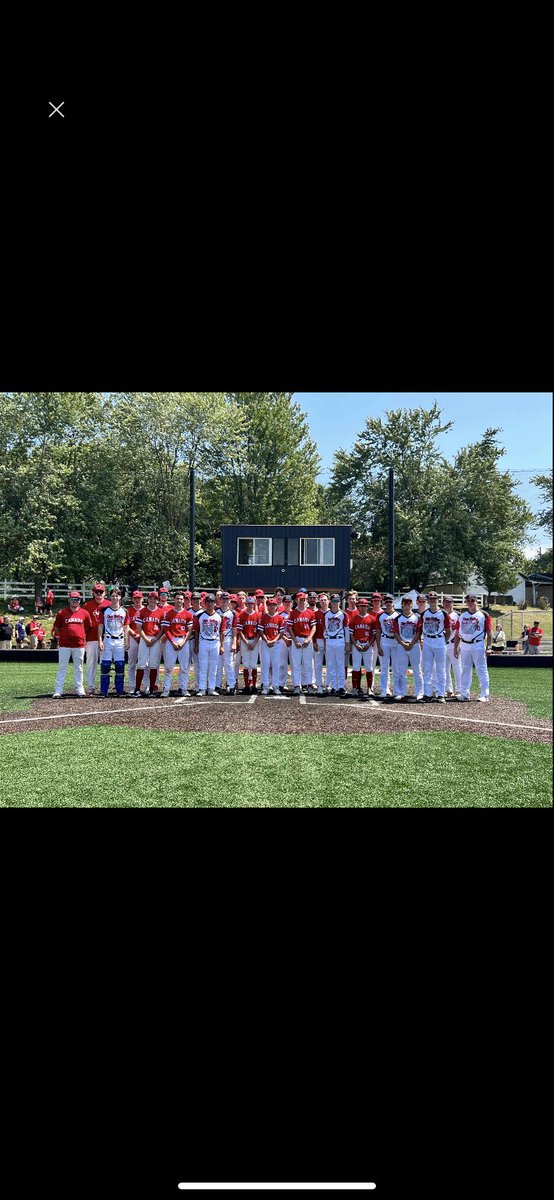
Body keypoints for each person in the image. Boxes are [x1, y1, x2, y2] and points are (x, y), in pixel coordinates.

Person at [51, 591, 92, 697]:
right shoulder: (62, 612)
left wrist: (80, 635)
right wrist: (63, 636)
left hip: (79, 645)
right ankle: (58, 690)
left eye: (77, 599)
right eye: (73, 599)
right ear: (69, 600)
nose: (75, 601)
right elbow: (57, 627)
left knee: (79, 668)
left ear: (80, 600)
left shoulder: (84, 613)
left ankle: (80, 689)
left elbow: (87, 627)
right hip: (65, 645)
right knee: (62, 667)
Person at [453, 593, 492, 702]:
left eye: (472, 600)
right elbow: (457, 633)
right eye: (468, 600)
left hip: (478, 644)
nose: (469, 602)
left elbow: (489, 632)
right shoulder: (462, 616)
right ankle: (464, 693)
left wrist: (489, 647)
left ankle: (484, 694)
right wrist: (456, 648)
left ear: (476, 601)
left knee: (481, 668)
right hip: (464, 644)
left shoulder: (483, 615)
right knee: (465, 669)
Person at [161, 589, 194, 696]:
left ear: (183, 600)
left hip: (184, 640)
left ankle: (183, 688)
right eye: (177, 599)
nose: (179, 601)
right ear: (173, 600)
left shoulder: (188, 614)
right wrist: (172, 642)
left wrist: (184, 642)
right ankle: (166, 689)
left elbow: (190, 630)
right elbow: (166, 630)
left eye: (181, 599)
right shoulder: (168, 614)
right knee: (168, 667)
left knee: (185, 667)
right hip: (172, 641)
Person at [97, 588, 129, 698]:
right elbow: (100, 625)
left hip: (119, 640)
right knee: (105, 665)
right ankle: (103, 691)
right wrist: (100, 640)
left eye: (117, 596)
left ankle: (119, 690)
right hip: (108, 639)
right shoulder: (104, 610)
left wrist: (127, 641)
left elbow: (126, 627)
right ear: (110, 597)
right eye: (113, 596)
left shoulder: (124, 611)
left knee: (120, 665)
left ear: (120, 597)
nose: (115, 598)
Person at [392, 596, 424, 702]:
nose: (407, 605)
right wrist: (402, 643)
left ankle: (419, 692)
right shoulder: (398, 618)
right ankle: (401, 692)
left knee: (417, 670)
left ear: (412, 604)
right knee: (401, 671)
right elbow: (395, 633)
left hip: (414, 645)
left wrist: (411, 643)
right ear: (402, 605)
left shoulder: (417, 617)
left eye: (409, 603)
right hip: (401, 646)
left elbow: (419, 632)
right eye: (405, 603)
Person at [133, 592, 165, 697]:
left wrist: (156, 639)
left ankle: (151, 689)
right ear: (148, 599)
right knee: (141, 664)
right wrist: (145, 639)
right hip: (144, 638)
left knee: (154, 665)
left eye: (155, 598)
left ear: (157, 600)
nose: (152, 600)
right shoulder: (142, 611)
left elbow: (163, 629)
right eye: (151, 598)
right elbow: (138, 627)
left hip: (156, 639)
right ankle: (137, 689)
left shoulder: (161, 612)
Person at [421, 591, 450, 703]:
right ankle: (427, 693)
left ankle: (441, 694)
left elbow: (448, 630)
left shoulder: (443, 613)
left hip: (439, 640)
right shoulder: (424, 614)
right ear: (428, 601)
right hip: (428, 640)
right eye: (431, 599)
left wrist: (443, 641)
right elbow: (420, 628)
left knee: (440, 669)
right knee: (427, 669)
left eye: (435, 599)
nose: (433, 601)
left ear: (438, 600)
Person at [348, 596, 378, 700]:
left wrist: (369, 644)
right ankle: (355, 688)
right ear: (358, 606)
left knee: (369, 668)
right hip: (357, 644)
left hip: (367, 645)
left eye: (364, 606)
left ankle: (369, 688)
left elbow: (374, 634)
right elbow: (351, 634)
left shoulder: (372, 619)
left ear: (367, 607)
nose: (362, 608)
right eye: (360, 606)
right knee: (356, 667)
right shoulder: (354, 619)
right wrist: (355, 644)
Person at [287, 590, 317, 695]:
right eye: (300, 600)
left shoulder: (310, 612)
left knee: (308, 664)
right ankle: (296, 685)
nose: (302, 601)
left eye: (303, 599)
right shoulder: (292, 613)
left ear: (306, 600)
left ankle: (308, 685)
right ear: (296, 600)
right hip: (297, 640)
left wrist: (309, 639)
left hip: (307, 639)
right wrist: (294, 640)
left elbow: (314, 627)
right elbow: (290, 628)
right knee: (296, 665)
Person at [193, 594, 223, 696]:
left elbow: (222, 632)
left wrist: (222, 645)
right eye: (208, 602)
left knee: (213, 667)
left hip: (215, 642)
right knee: (203, 666)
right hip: (203, 642)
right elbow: (196, 631)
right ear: (205, 603)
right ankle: (202, 688)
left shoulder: (219, 616)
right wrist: (196, 645)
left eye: (212, 602)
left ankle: (211, 688)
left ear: (215, 603)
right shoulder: (200, 615)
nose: (210, 604)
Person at [83, 583, 110, 695]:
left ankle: (104, 686)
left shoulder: (109, 604)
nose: (99, 594)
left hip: (106, 638)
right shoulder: (88, 605)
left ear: (105, 593)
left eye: (101, 592)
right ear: (93, 593)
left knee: (105, 663)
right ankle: (91, 686)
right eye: (96, 592)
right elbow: (84, 623)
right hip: (91, 638)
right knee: (91, 663)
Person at [323, 594, 350, 697]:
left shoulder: (343, 614)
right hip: (329, 640)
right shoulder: (326, 614)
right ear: (331, 602)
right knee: (331, 664)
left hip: (339, 640)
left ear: (339, 602)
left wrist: (347, 643)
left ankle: (341, 686)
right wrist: (325, 643)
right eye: (333, 601)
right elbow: (324, 629)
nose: (334, 604)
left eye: (336, 601)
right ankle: (334, 686)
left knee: (340, 664)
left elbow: (346, 629)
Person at [258, 596, 286, 694]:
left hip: (276, 644)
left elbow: (281, 632)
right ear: (267, 606)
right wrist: (267, 640)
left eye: (273, 605)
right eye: (270, 605)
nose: (272, 607)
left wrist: (273, 640)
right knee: (265, 665)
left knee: (276, 665)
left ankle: (275, 686)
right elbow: (261, 631)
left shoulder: (279, 618)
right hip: (266, 643)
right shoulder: (264, 617)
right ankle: (265, 686)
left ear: (276, 606)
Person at [374, 593, 398, 700]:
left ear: (393, 602)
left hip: (395, 642)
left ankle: (397, 690)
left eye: (390, 601)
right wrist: (378, 646)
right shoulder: (380, 616)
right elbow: (378, 632)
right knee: (384, 667)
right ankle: (384, 689)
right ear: (384, 603)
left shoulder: (398, 615)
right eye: (387, 601)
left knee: (396, 667)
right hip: (385, 641)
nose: (388, 603)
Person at [237, 595, 261, 693]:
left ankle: (254, 686)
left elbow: (260, 631)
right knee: (246, 664)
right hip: (245, 640)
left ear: (254, 604)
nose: (250, 605)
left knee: (254, 664)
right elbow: (240, 631)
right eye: (248, 604)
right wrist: (246, 642)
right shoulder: (241, 615)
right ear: (246, 604)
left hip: (255, 640)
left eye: (252, 604)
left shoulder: (258, 615)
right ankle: (247, 686)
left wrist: (255, 642)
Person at [215, 591, 238, 694]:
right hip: (217, 639)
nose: (225, 601)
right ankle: (217, 685)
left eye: (227, 599)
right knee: (218, 664)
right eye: (223, 599)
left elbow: (234, 629)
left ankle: (231, 685)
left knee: (229, 663)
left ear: (229, 601)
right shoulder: (216, 611)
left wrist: (234, 642)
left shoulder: (233, 613)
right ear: (220, 600)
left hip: (228, 638)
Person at [442, 594, 462, 697]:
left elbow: (460, 630)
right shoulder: (441, 614)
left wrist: (458, 644)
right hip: (443, 644)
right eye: (445, 602)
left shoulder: (458, 615)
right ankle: (448, 689)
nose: (447, 604)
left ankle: (459, 689)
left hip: (454, 644)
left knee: (457, 667)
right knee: (445, 668)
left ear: (452, 603)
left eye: (449, 602)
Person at [126, 590, 143, 694]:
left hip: (143, 638)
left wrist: (141, 635)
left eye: (139, 598)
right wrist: (133, 634)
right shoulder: (129, 610)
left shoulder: (145, 610)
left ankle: (145, 686)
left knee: (144, 664)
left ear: (142, 599)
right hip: (132, 638)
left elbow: (148, 625)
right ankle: (132, 686)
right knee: (132, 664)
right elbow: (126, 625)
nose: (137, 600)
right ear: (132, 599)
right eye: (135, 598)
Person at [312, 593, 330, 695]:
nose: (323, 602)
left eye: (325, 600)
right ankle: (319, 685)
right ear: (319, 602)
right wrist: (314, 641)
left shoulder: (332, 613)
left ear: (328, 601)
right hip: (318, 640)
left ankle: (328, 685)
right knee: (318, 665)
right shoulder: (315, 614)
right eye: (321, 600)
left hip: (329, 641)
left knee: (329, 664)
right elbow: (313, 629)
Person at [277, 594, 294, 692]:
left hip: (293, 640)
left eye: (289, 602)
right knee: (282, 664)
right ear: (283, 603)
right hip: (282, 640)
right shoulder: (279, 615)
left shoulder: (295, 614)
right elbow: (278, 629)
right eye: (286, 602)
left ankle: (297, 684)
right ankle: (281, 683)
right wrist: (285, 638)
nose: (288, 604)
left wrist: (292, 639)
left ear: (292, 603)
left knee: (294, 664)